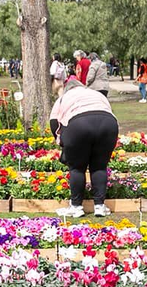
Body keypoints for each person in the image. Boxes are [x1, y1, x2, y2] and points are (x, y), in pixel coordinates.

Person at [50, 78, 118, 218]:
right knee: (99, 166)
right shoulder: (96, 94)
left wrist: (61, 141)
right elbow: (106, 110)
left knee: (77, 168)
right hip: (108, 123)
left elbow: (53, 122)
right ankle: (99, 206)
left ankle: (76, 206)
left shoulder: (64, 98)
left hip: (78, 124)